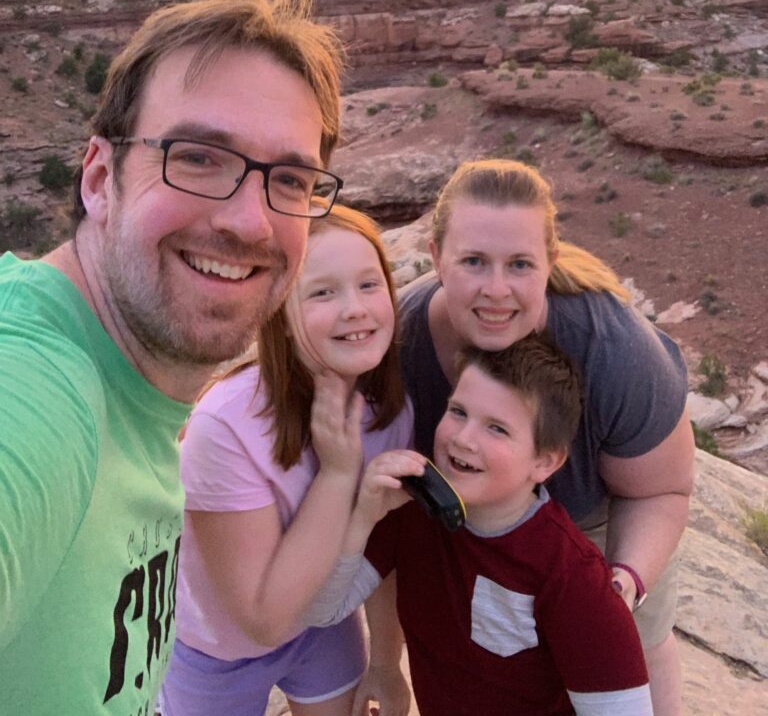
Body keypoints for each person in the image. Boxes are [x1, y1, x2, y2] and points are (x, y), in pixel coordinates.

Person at [0, 0, 346, 714]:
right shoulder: (36, 389)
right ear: (99, 178)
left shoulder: (142, 395)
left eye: (290, 181)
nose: (251, 221)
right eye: (197, 158)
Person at [395, 158, 694, 716]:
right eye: (474, 262)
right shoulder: (400, 342)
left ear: (549, 263)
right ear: (435, 257)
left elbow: (662, 488)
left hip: (594, 527)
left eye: (520, 265)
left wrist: (623, 584)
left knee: (633, 648)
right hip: (465, 518)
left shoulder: (611, 348)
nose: (497, 290)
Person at [307, 335, 654, 716]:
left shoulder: (571, 576)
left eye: (497, 429)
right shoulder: (411, 511)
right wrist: (364, 517)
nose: (464, 438)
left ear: (545, 462)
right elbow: (324, 610)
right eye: (458, 412)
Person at [157, 204, 413, 716]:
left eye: (369, 285)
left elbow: (385, 557)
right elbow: (263, 619)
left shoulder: (388, 409)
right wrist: (339, 475)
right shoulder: (227, 426)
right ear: (281, 312)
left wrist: (386, 664)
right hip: (215, 650)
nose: (356, 309)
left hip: (324, 624)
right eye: (322, 292)